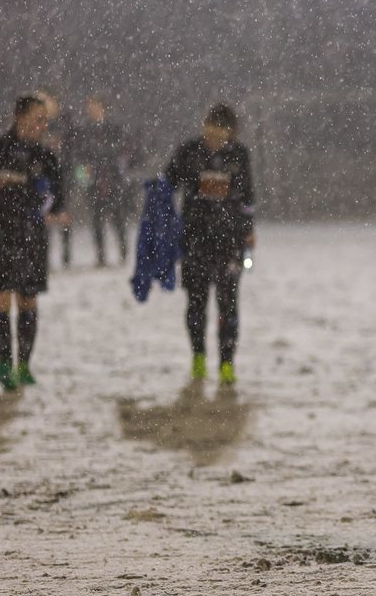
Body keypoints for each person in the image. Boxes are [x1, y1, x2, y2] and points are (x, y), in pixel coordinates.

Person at [164, 103, 255, 385]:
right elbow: (168, 183)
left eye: (221, 135)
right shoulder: (189, 151)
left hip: (229, 242)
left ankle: (227, 362)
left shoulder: (239, 155)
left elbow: (248, 197)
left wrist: (248, 230)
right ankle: (199, 357)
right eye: (210, 133)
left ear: (231, 133)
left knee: (228, 304)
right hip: (195, 239)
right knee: (196, 303)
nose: (214, 140)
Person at [0, 95, 70, 389]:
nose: (43, 125)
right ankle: (5, 365)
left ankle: (24, 365)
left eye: (45, 119)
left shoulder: (45, 157)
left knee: (27, 301)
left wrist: (53, 210)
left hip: (31, 239)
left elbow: (58, 199)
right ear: (19, 117)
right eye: (38, 118)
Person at [71, 95, 143, 266]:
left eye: (95, 107)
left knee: (118, 218)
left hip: (113, 180)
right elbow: (79, 157)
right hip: (94, 181)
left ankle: (123, 251)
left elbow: (126, 152)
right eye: (90, 108)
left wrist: (118, 168)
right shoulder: (84, 131)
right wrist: (84, 177)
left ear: (103, 108)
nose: (92, 111)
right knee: (97, 219)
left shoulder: (115, 129)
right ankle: (101, 256)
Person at [34, 89, 75, 268]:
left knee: (64, 215)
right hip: (45, 176)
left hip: (64, 173)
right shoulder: (37, 123)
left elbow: (74, 148)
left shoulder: (65, 123)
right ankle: (44, 257)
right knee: (45, 215)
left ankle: (66, 255)